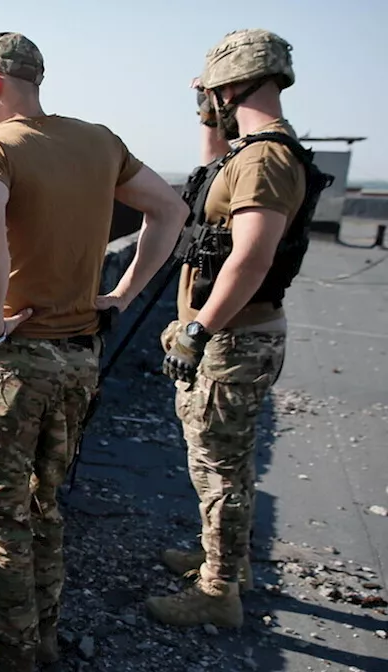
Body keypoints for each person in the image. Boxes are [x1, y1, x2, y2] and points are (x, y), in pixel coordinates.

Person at [0, 32, 189, 670]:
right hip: (79, 358)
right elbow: (169, 209)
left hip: (13, 367)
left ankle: (14, 653)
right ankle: (42, 638)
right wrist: (123, 295)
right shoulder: (99, 140)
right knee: (46, 504)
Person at [145, 29, 330, 629]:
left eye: (214, 93)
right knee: (223, 463)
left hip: (233, 339)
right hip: (233, 334)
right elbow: (208, 184)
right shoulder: (248, 151)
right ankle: (225, 561)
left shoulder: (266, 158)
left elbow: (250, 255)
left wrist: (198, 329)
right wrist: (207, 114)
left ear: (230, 85)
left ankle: (218, 592)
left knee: (219, 468)